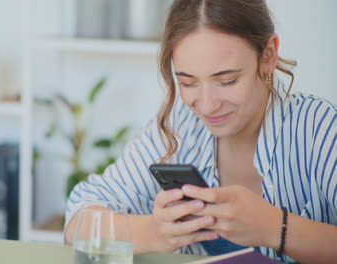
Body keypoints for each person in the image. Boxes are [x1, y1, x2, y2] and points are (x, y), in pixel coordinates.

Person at [64, 0, 337, 263]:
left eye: (227, 80)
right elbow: (78, 217)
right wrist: (154, 232)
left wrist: (276, 228)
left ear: (267, 56)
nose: (207, 106)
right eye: (188, 82)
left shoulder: (319, 129)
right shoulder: (181, 126)